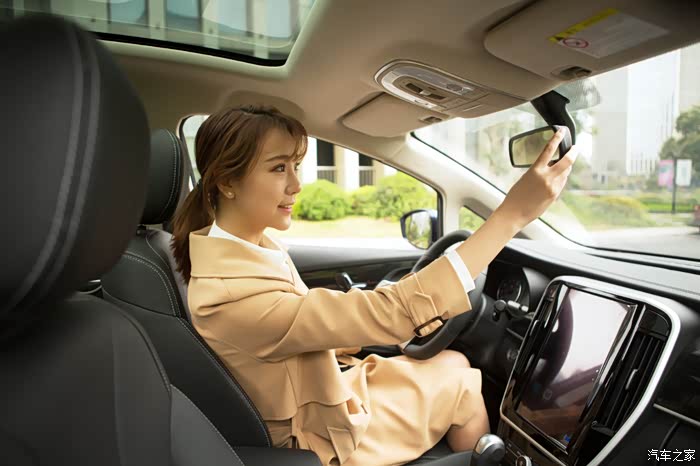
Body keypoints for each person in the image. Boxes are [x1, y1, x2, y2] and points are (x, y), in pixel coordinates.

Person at [170, 105, 578, 466]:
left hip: (321, 387)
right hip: (317, 436)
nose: (296, 184)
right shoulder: (232, 293)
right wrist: (511, 215)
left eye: (296, 166)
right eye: (279, 168)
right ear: (227, 182)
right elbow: (389, 311)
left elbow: (294, 330)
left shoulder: (245, 248)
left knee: (455, 361)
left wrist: (365, 331)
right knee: (464, 386)